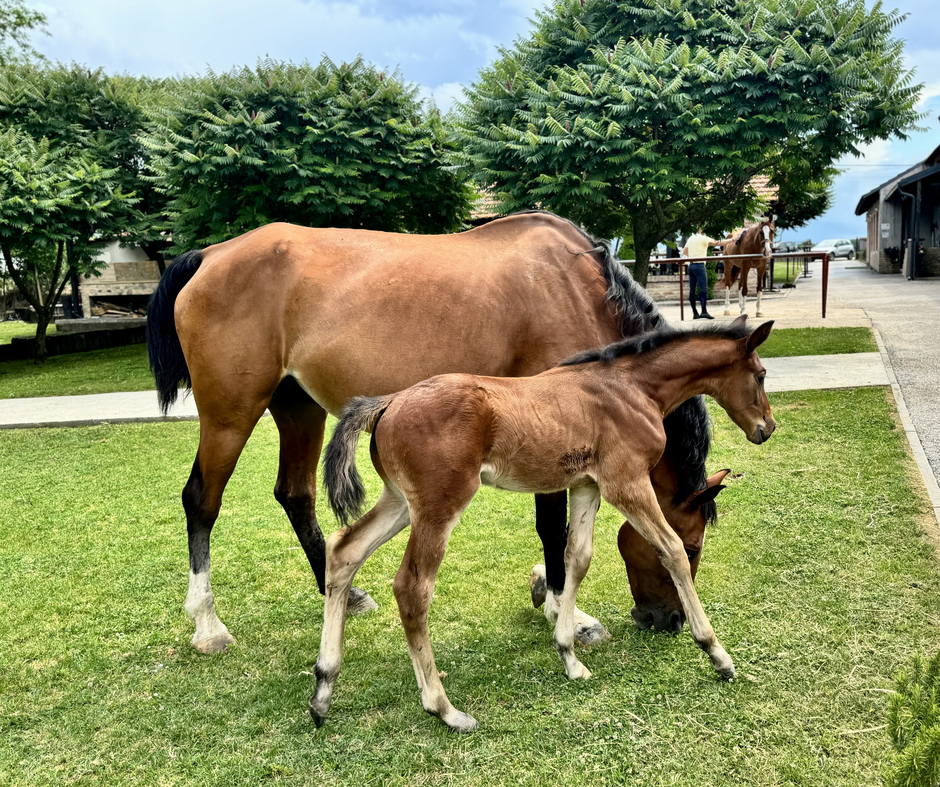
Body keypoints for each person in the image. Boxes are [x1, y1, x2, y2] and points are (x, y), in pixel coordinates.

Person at [680, 229, 729, 320]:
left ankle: (695, 313)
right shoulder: (703, 238)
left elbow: (685, 252)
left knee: (692, 290)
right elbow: (717, 243)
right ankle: (704, 311)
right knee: (704, 289)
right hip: (699, 265)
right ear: (701, 230)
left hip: (691, 266)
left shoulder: (691, 238)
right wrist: (732, 240)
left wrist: (693, 254)